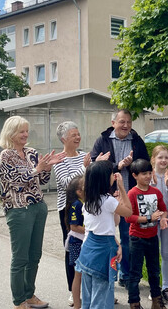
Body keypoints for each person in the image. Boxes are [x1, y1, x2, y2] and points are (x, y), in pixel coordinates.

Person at [0, 116, 66, 309]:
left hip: (38, 206)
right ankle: (19, 300)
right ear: (10, 133)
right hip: (18, 209)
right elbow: (15, 182)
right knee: (20, 257)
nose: (25, 135)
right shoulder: (6, 156)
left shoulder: (32, 152)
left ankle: (29, 295)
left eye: (27, 131)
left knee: (35, 255)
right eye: (21, 131)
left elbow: (42, 181)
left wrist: (47, 167)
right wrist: (37, 169)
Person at [90, 109, 150, 287]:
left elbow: (145, 164)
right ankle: (107, 275)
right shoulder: (103, 140)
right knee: (105, 236)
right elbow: (95, 164)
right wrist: (118, 165)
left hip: (128, 195)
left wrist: (133, 167)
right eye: (122, 122)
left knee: (127, 236)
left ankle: (126, 275)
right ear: (113, 122)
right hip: (106, 196)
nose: (126, 126)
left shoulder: (137, 141)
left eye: (129, 122)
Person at [77, 161, 133, 309]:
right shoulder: (108, 201)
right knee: (101, 298)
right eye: (111, 174)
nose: (113, 177)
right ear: (104, 179)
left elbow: (110, 224)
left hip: (88, 250)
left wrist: (117, 244)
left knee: (88, 296)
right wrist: (121, 187)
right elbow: (129, 212)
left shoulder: (88, 201)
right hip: (103, 252)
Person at [53, 121, 91, 304]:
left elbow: (90, 178)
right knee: (73, 249)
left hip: (89, 207)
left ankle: (91, 288)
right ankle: (73, 290)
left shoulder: (84, 155)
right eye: (73, 135)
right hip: (68, 210)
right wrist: (84, 167)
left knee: (91, 246)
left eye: (78, 134)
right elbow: (68, 183)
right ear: (63, 139)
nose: (78, 137)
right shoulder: (59, 159)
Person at [126, 159, 168, 309]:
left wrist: (163, 219)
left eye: (150, 173)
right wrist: (148, 218)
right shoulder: (132, 193)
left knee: (154, 271)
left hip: (152, 237)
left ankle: (157, 300)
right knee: (135, 273)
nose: (148, 176)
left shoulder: (156, 192)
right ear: (135, 175)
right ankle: (134, 302)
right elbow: (128, 217)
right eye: (144, 174)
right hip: (137, 238)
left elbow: (163, 209)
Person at [150, 145, 168, 303]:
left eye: (166, 157)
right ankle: (155, 288)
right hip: (152, 221)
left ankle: (165, 286)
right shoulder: (148, 176)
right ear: (153, 159)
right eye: (160, 157)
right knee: (153, 254)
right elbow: (147, 197)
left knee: (165, 253)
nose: (163, 160)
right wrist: (153, 184)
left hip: (167, 220)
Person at [65, 176, 86, 309]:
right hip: (76, 242)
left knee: (87, 272)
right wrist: (92, 230)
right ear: (79, 191)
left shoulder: (85, 202)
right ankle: (76, 299)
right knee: (78, 273)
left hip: (84, 241)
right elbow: (74, 226)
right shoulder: (76, 205)